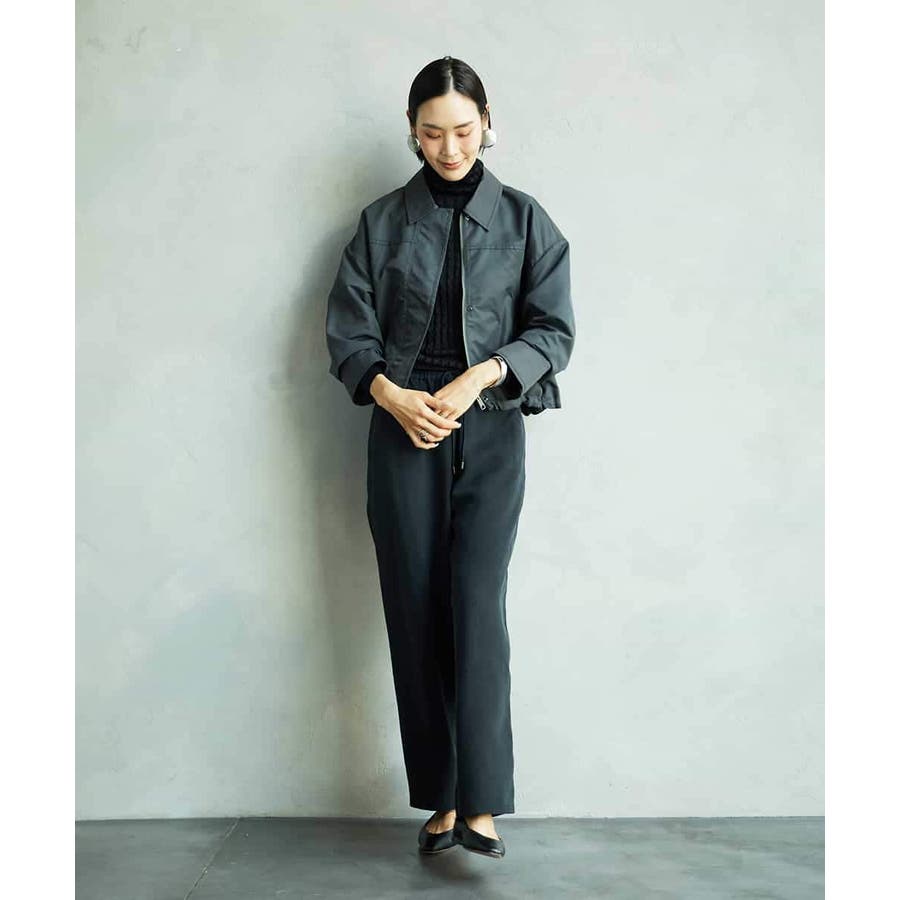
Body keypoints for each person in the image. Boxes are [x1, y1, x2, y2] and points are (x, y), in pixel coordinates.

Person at [325, 55, 575, 859]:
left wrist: (481, 375)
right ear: (412, 132)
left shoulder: (528, 222)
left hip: (491, 428)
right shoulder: (380, 223)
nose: (450, 148)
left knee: (476, 607)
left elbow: (553, 332)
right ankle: (441, 799)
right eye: (432, 133)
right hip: (403, 432)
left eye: (463, 130)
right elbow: (349, 332)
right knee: (415, 607)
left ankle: (483, 801)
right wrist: (392, 395)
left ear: (487, 123)